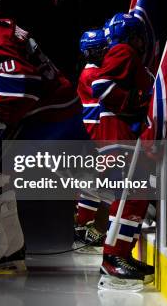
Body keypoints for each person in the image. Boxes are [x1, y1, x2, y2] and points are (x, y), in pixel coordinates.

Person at [0, 0, 86, 274]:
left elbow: (22, 89)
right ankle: (10, 248)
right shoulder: (4, 30)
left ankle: (5, 249)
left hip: (49, 118)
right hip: (55, 112)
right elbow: (10, 83)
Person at [91, 12, 155, 291]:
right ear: (131, 36)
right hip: (119, 136)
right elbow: (100, 86)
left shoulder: (123, 51)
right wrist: (134, 102)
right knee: (130, 196)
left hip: (120, 136)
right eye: (138, 36)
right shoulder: (123, 51)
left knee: (134, 196)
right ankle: (113, 259)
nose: (142, 42)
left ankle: (120, 255)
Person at [73, 29, 110, 254]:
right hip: (96, 137)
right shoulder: (93, 75)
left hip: (92, 137)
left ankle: (82, 224)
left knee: (91, 184)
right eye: (104, 48)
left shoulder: (89, 72)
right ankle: (88, 227)